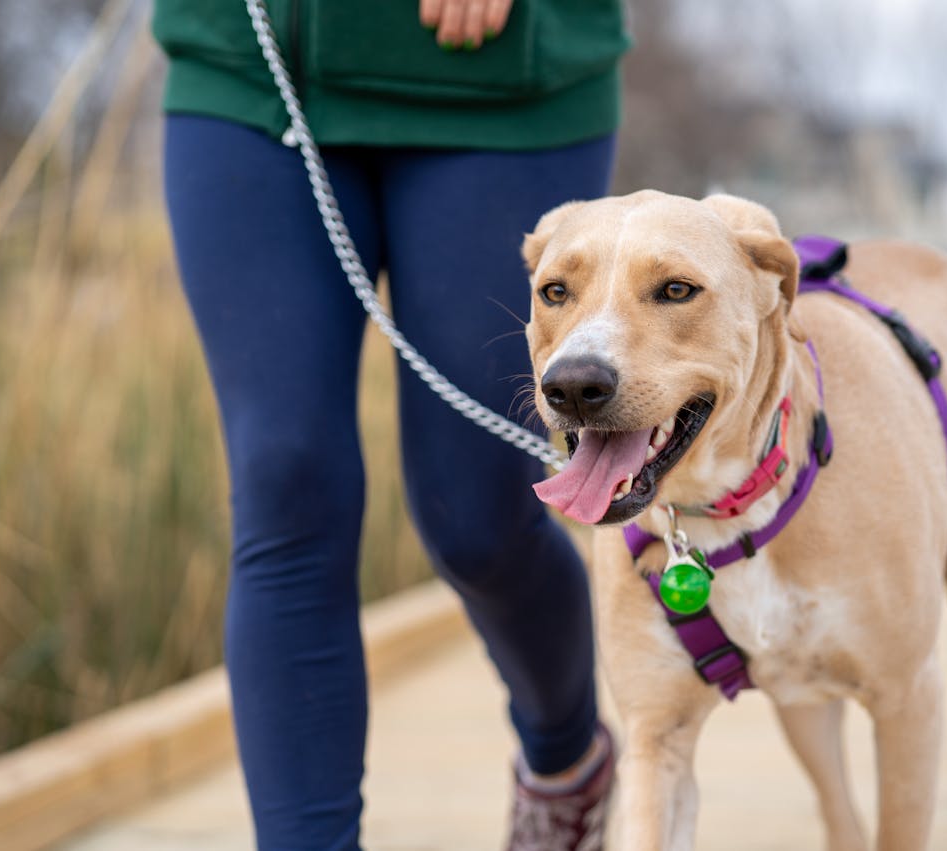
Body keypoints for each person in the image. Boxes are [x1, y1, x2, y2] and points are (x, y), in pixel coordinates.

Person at [151, 1, 629, 847]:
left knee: (477, 517)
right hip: (252, 76)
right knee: (286, 481)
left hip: (499, 80)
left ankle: (567, 759)